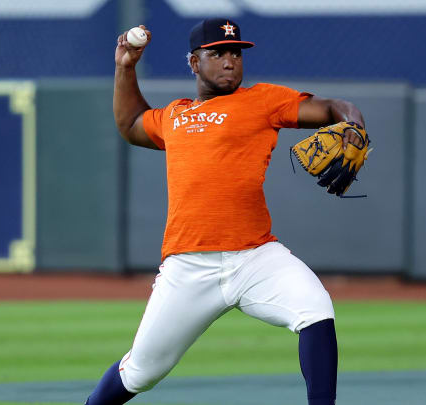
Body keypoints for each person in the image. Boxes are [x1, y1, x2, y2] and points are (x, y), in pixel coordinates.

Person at [86, 18, 365, 405]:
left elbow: (335, 107)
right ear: (194, 63)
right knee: (141, 371)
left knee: (315, 308)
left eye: (235, 52)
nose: (230, 61)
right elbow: (131, 122)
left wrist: (352, 123)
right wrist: (125, 67)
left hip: (255, 256)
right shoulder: (175, 115)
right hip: (188, 266)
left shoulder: (263, 101)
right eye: (217, 53)